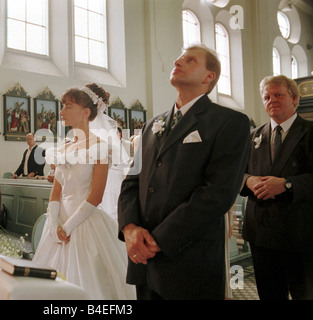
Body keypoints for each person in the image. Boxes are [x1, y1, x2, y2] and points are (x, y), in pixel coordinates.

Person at [118, 44, 251, 300]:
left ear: (208, 77)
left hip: (188, 256)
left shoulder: (229, 122)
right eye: (177, 59)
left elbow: (218, 193)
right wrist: (130, 228)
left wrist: (157, 240)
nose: (178, 62)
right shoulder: (151, 126)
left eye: (189, 60)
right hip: (143, 259)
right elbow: (132, 181)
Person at [32, 83, 136, 300]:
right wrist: (53, 225)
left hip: (84, 222)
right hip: (58, 221)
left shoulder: (100, 147)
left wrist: (68, 227)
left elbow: (96, 195)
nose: (61, 112)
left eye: (68, 107)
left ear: (86, 112)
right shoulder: (63, 148)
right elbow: (56, 192)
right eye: (63, 106)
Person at [240, 75, 313, 300]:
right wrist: (248, 180)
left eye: (278, 94)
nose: (272, 100)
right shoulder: (254, 136)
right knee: (269, 294)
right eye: (267, 96)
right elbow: (235, 174)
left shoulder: (309, 132)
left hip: (300, 233)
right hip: (261, 232)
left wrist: (287, 184)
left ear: (294, 98)